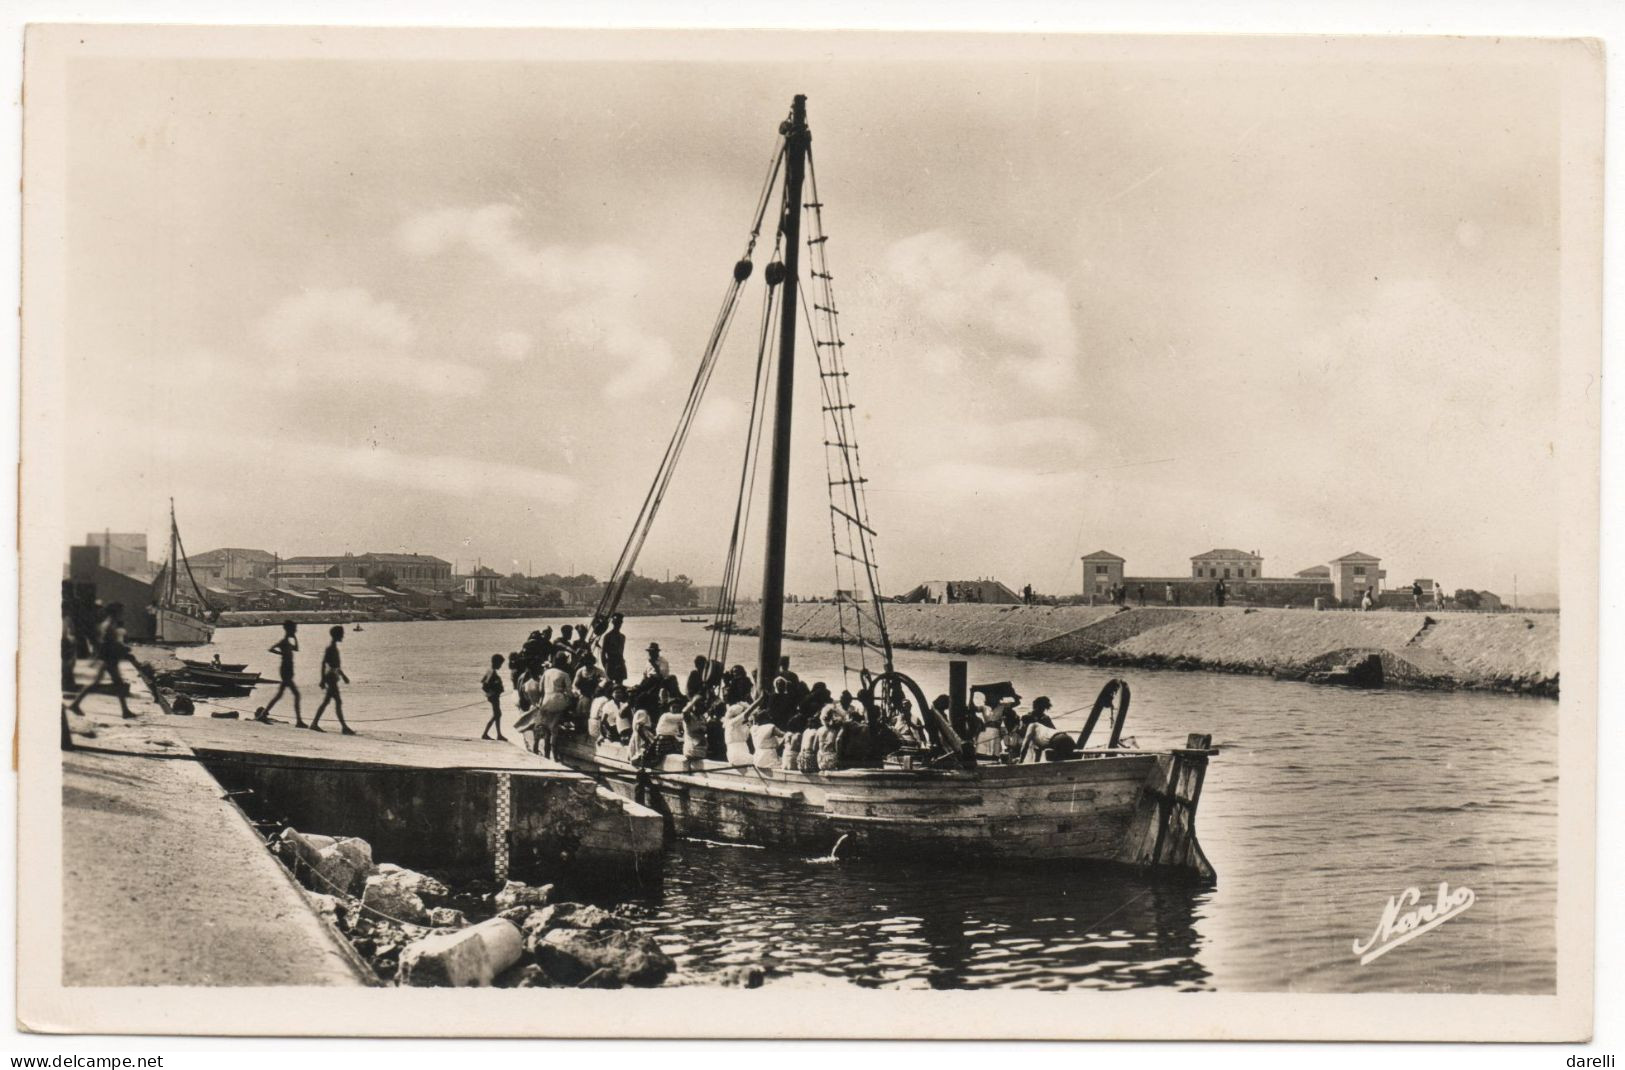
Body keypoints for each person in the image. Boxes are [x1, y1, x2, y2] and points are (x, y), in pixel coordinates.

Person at [67, 603, 136, 720]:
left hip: (108, 658)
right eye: (121, 612)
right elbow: (106, 643)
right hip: (109, 659)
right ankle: (125, 711)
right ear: (116, 612)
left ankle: (75, 704)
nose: (122, 614)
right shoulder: (109, 625)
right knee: (115, 684)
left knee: (102, 683)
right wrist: (122, 648)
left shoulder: (108, 624)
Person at [309, 624, 355, 734]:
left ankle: (315, 723)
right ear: (337, 635)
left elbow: (335, 666)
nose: (343, 636)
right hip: (331, 678)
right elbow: (324, 664)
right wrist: (322, 680)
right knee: (337, 701)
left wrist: (343, 676)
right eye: (341, 634)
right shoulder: (330, 648)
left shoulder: (333, 648)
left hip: (332, 677)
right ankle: (344, 727)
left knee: (327, 702)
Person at [261, 620, 304, 727]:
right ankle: (299, 721)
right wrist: (281, 653)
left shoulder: (288, 642)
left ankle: (263, 714)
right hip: (285, 670)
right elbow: (271, 649)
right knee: (296, 695)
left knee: (280, 695)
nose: (295, 631)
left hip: (288, 670)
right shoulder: (283, 642)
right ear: (289, 630)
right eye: (294, 629)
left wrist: (294, 637)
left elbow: (297, 649)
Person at [480, 653, 508, 741]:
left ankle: (497, 734)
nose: (500, 666)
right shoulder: (492, 672)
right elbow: (484, 686)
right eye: (500, 664)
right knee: (497, 714)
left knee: (497, 714)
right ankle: (488, 734)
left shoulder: (490, 670)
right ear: (496, 663)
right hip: (494, 697)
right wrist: (492, 693)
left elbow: (482, 681)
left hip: (494, 696)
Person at [722, 699, 753, 765]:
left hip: (744, 751)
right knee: (760, 761)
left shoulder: (744, 725)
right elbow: (746, 714)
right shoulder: (731, 722)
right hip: (736, 754)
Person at [600, 614, 627, 684]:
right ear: (613, 623)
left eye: (619, 622)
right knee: (609, 683)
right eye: (616, 622)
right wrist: (605, 665)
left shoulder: (622, 637)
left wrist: (622, 662)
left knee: (620, 683)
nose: (618, 624)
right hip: (611, 661)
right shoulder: (608, 636)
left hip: (620, 661)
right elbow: (603, 652)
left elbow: (621, 651)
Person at [816, 707, 845, 772]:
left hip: (820, 762)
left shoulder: (819, 730)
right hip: (831, 761)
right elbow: (837, 741)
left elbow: (815, 747)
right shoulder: (835, 730)